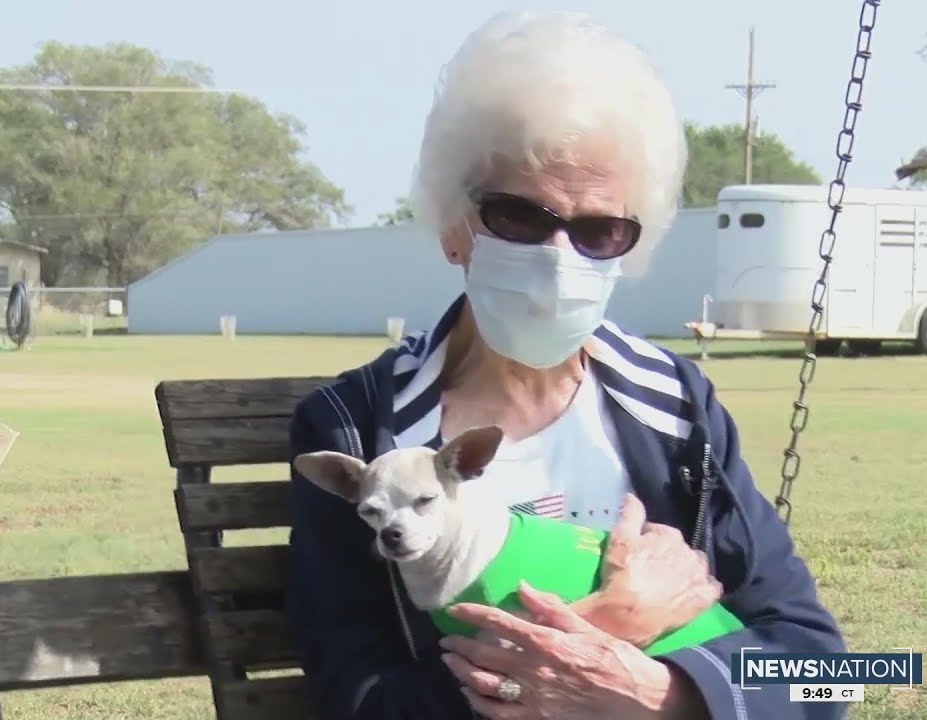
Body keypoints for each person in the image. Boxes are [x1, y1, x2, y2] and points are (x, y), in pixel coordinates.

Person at [283, 10, 846, 720]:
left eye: (598, 228)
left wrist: (665, 693)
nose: (558, 254)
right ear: (455, 227)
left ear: (632, 243)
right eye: (519, 216)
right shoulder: (359, 430)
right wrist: (612, 622)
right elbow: (358, 701)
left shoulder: (676, 408)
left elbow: (833, 676)